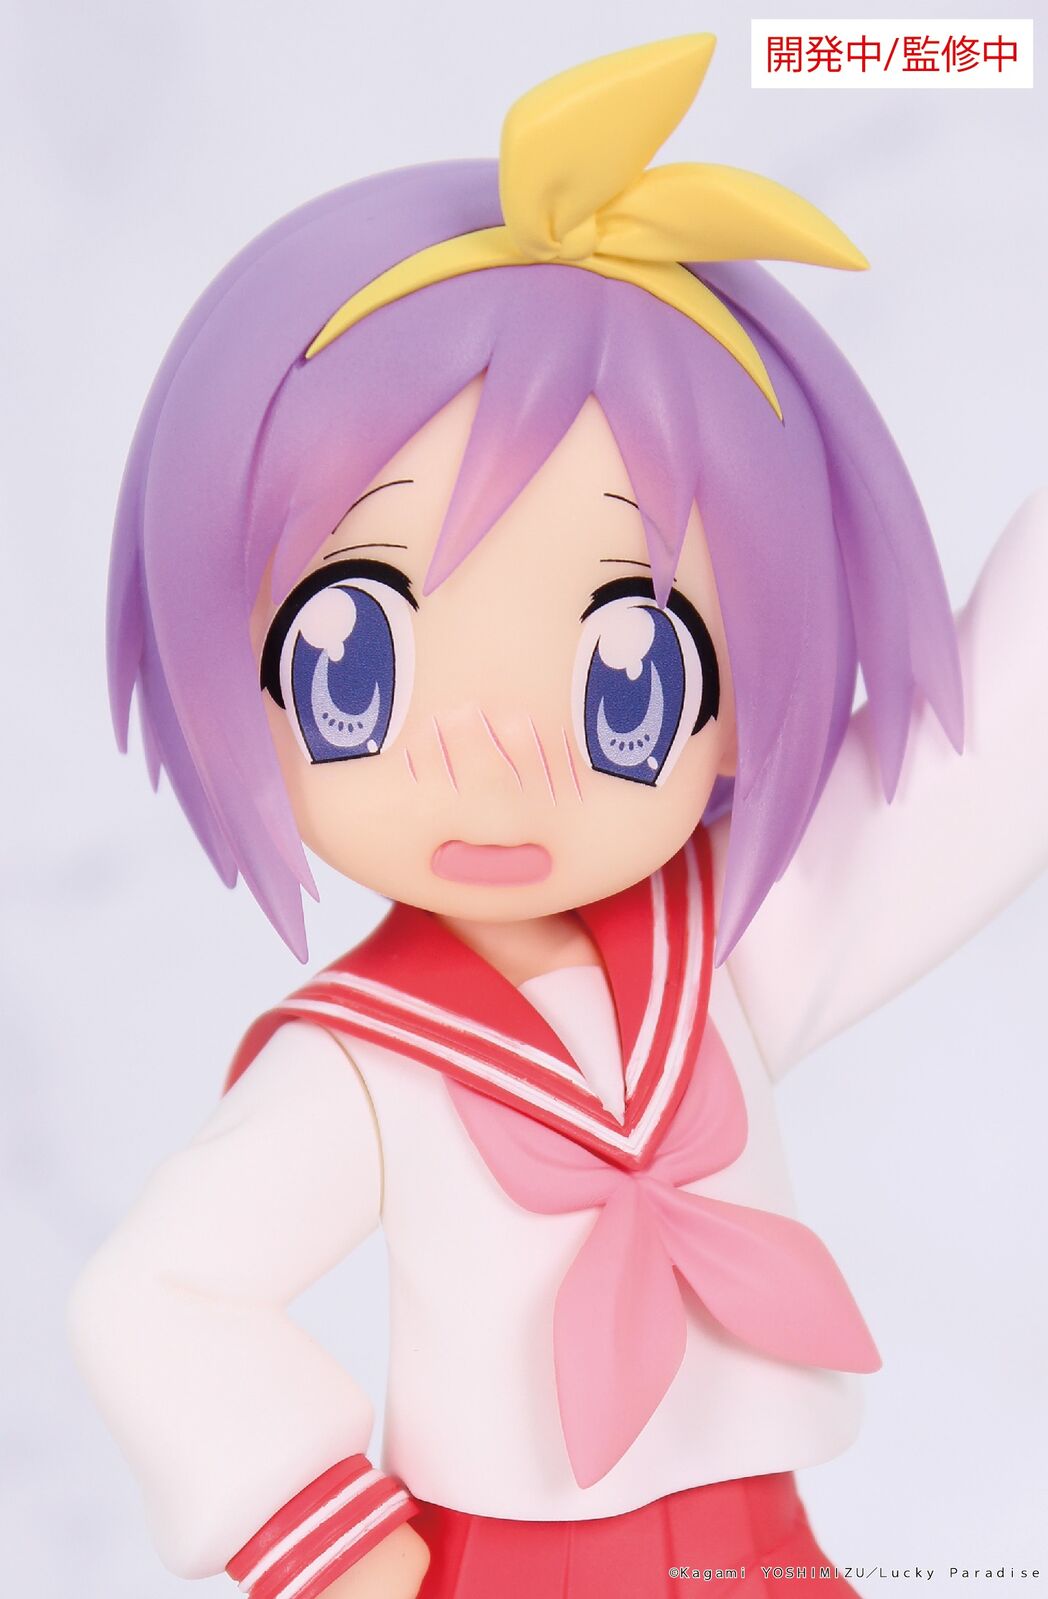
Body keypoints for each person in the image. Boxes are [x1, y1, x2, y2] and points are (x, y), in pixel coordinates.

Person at [71, 34, 1048, 1599]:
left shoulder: (722, 950)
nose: (492, 760)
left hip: (766, 1553)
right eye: (355, 668)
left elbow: (983, 764)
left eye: (626, 681)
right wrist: (313, 1528)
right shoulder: (367, 1059)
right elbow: (160, 1290)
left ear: (743, 695)